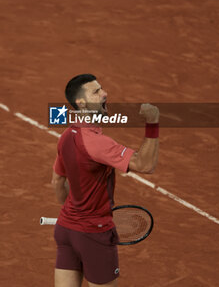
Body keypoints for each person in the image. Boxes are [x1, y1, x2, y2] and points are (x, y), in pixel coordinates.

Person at [52, 74, 159, 287]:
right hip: (94, 234)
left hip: (65, 230)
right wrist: (152, 122)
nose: (104, 93)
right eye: (96, 92)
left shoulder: (66, 136)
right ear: (81, 103)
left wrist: (75, 217)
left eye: (102, 89)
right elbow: (145, 164)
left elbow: (57, 181)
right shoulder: (97, 143)